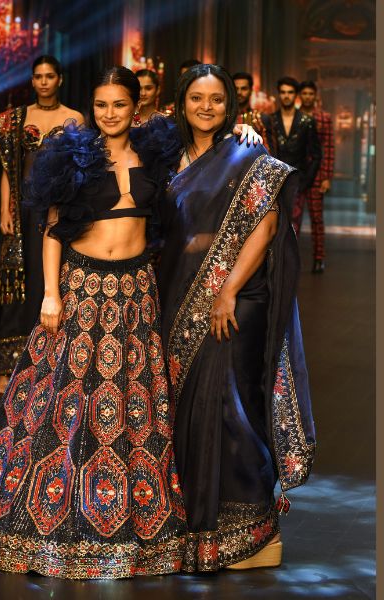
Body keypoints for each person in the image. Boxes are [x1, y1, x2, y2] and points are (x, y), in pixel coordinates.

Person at [0, 67, 189, 579]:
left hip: (135, 292)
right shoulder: (72, 154)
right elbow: (53, 229)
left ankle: (123, 521)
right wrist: (51, 295)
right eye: (101, 104)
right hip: (81, 288)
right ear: (91, 107)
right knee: (63, 402)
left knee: (130, 405)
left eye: (119, 104)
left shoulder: (157, 154)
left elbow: (204, 152)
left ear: (135, 107)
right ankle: (48, 515)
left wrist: (243, 131)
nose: (109, 114)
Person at [156, 64, 316, 573]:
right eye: (197, 98)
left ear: (231, 105)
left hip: (237, 298)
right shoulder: (165, 154)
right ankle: (198, 527)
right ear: (181, 102)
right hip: (176, 296)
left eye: (217, 99)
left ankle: (257, 534)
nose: (206, 108)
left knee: (231, 406)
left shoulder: (247, 153)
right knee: (186, 409)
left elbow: (266, 226)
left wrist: (226, 291)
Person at [0, 55, 85, 394]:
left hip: (58, 207)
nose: (44, 82)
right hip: (24, 209)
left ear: (60, 79)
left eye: (49, 76)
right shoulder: (18, 118)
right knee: (19, 281)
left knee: (52, 278)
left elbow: (80, 166)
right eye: (38, 76)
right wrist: (5, 209)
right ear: (32, 81)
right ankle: (9, 366)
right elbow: (8, 168)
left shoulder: (74, 117)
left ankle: (51, 361)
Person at [268, 76, 322, 241]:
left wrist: (306, 182)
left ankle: (290, 259)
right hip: (274, 182)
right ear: (279, 94)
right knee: (274, 228)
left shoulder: (307, 121)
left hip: (298, 181)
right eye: (283, 92)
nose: (286, 96)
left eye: (290, 92)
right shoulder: (270, 120)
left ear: (296, 95)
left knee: (293, 228)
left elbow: (316, 154)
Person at [295, 80, 335, 273]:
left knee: (317, 218)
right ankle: (290, 259)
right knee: (294, 218)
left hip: (317, 173)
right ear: (300, 96)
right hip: (298, 172)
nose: (308, 97)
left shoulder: (324, 118)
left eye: (311, 94)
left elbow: (329, 147)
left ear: (315, 96)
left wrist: (327, 176)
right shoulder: (294, 116)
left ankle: (319, 258)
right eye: (305, 93)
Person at [232, 71, 271, 150]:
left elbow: (269, 150)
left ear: (250, 90)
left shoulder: (262, 119)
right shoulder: (223, 118)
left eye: (244, 88)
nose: (239, 92)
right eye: (236, 89)